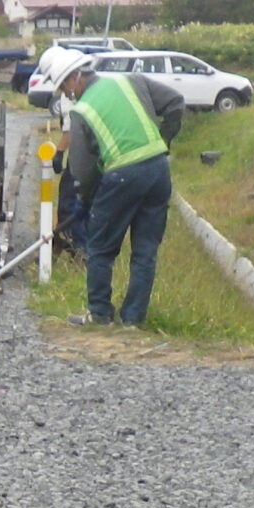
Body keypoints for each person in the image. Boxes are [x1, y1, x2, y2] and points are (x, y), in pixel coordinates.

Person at [48, 51, 184, 326]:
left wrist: (86, 201)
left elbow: (83, 170)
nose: (67, 94)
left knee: (100, 247)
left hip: (122, 176)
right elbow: (175, 103)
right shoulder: (131, 82)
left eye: (65, 87)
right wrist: (164, 141)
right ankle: (132, 320)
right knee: (145, 250)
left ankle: (99, 314)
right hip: (158, 171)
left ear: (76, 77)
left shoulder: (82, 112)